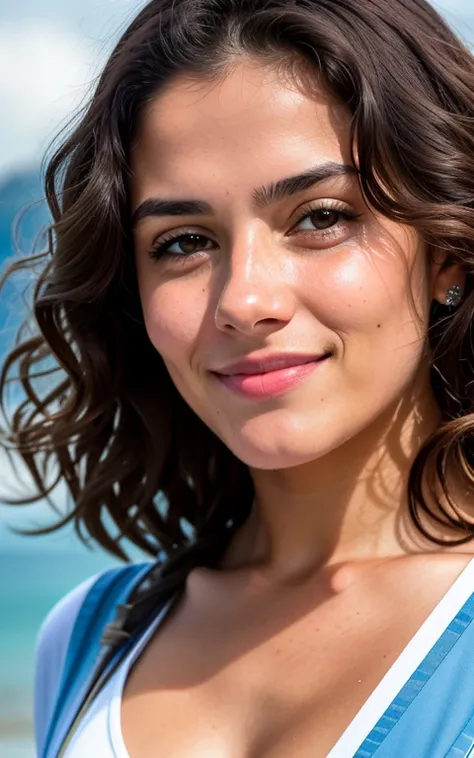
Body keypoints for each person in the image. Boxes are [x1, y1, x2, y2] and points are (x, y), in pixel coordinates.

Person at [2, 0, 474, 755]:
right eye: (184, 241)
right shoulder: (88, 640)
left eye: (320, 218)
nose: (244, 300)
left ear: (445, 251)